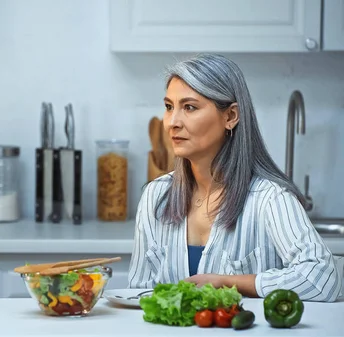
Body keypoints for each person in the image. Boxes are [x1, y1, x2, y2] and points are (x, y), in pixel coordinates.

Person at [127, 54, 341, 302]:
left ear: (230, 117)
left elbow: (323, 277)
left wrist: (228, 283)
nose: (172, 122)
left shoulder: (269, 199)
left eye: (189, 107)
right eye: (168, 107)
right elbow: (137, 294)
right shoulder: (156, 196)